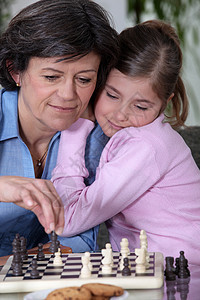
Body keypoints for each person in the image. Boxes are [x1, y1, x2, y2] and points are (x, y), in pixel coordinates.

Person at [52, 20, 200, 265]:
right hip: (150, 272)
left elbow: (66, 219)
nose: (120, 114)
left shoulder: (146, 145)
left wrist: (74, 128)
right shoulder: (133, 138)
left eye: (141, 106)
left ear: (165, 103)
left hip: (179, 279)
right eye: (112, 94)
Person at [0, 0, 119, 256]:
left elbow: (78, 244)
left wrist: (12, 265)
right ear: (15, 71)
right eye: (51, 77)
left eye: (84, 79)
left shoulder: (98, 139)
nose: (68, 95)